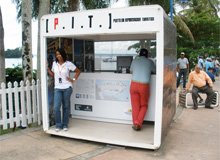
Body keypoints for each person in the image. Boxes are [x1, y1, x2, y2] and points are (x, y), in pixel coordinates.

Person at [48, 48, 80, 131]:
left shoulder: (68, 64)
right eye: (57, 54)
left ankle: (65, 124)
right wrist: (47, 69)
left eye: (59, 54)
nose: (58, 56)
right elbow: (53, 74)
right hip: (57, 88)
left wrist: (73, 80)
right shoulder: (54, 64)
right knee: (56, 107)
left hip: (67, 88)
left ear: (63, 54)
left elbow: (78, 71)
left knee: (66, 107)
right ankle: (58, 125)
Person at [129, 48, 156, 131]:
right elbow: (154, 71)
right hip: (144, 86)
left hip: (133, 84)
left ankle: (135, 123)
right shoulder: (150, 62)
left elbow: (131, 71)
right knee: (143, 105)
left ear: (139, 54)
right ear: (147, 55)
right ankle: (138, 123)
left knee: (135, 106)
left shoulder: (135, 61)